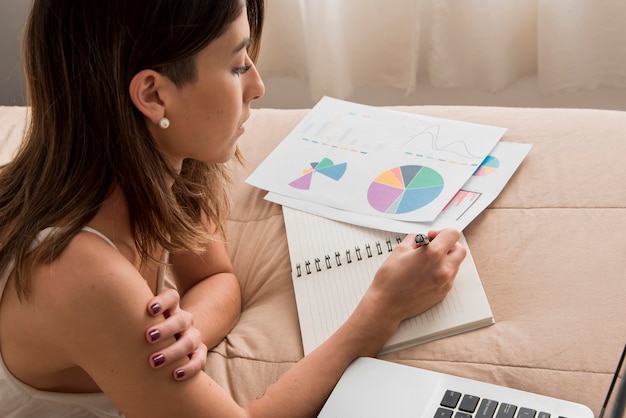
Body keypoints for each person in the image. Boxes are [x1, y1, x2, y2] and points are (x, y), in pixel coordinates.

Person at [0, 0, 466, 417]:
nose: (258, 86)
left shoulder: (155, 166)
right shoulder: (81, 273)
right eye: (238, 65)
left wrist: (186, 335)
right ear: (154, 95)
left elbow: (214, 278)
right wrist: (383, 309)